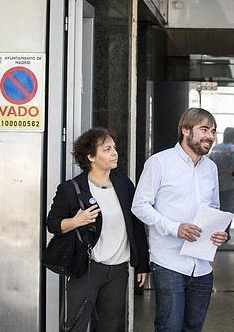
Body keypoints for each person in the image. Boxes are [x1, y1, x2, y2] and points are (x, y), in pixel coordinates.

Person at [131, 108, 228, 332]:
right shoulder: (159, 163)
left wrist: (218, 232)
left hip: (202, 266)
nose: (210, 136)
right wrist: (175, 228)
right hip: (169, 262)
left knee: (194, 327)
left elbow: (213, 208)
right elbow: (140, 206)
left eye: (213, 131)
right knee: (169, 327)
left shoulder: (211, 168)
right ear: (186, 131)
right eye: (204, 130)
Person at [46, 127, 150, 332]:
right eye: (107, 149)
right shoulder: (72, 188)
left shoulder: (123, 184)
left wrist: (142, 264)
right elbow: (52, 224)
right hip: (87, 269)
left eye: (114, 148)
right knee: (76, 326)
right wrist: (76, 221)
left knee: (109, 327)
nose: (114, 153)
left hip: (119, 271)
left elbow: (136, 225)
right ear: (91, 157)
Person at [209, 127, 234, 238]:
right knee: (228, 211)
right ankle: (225, 234)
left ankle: (216, 232)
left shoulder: (215, 149)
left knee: (218, 211)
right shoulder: (233, 150)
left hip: (216, 185)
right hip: (229, 185)